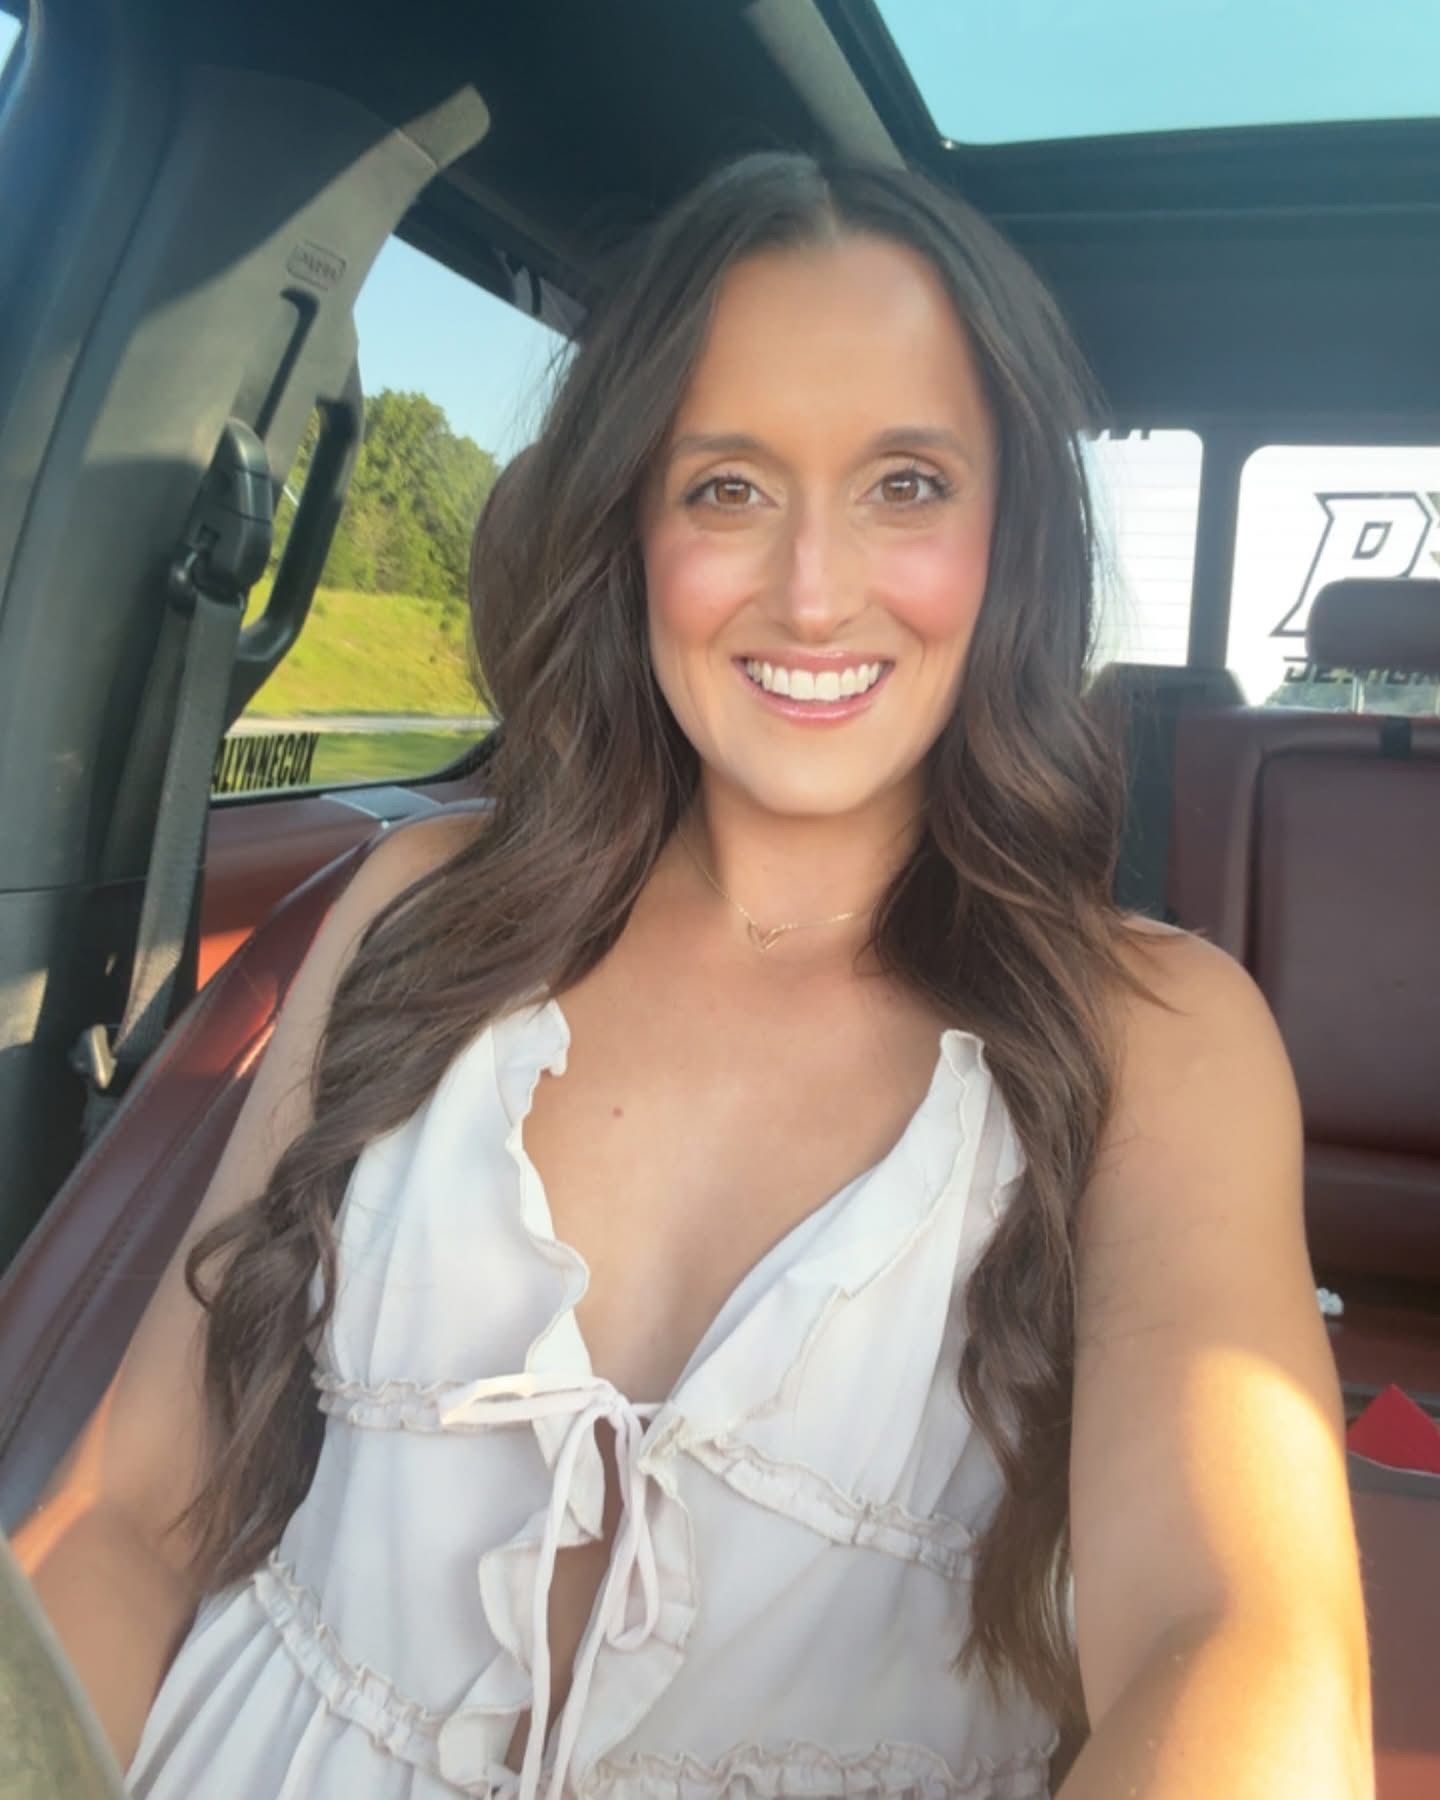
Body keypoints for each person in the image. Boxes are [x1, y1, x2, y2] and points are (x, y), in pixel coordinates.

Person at [16, 153, 1372, 1799]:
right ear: (631, 522)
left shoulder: (1157, 1035)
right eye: (728, 487)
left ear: (1008, 539)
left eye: (906, 484)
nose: (813, 591)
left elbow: (1234, 1644)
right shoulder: (417, 910)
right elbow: (130, 1514)